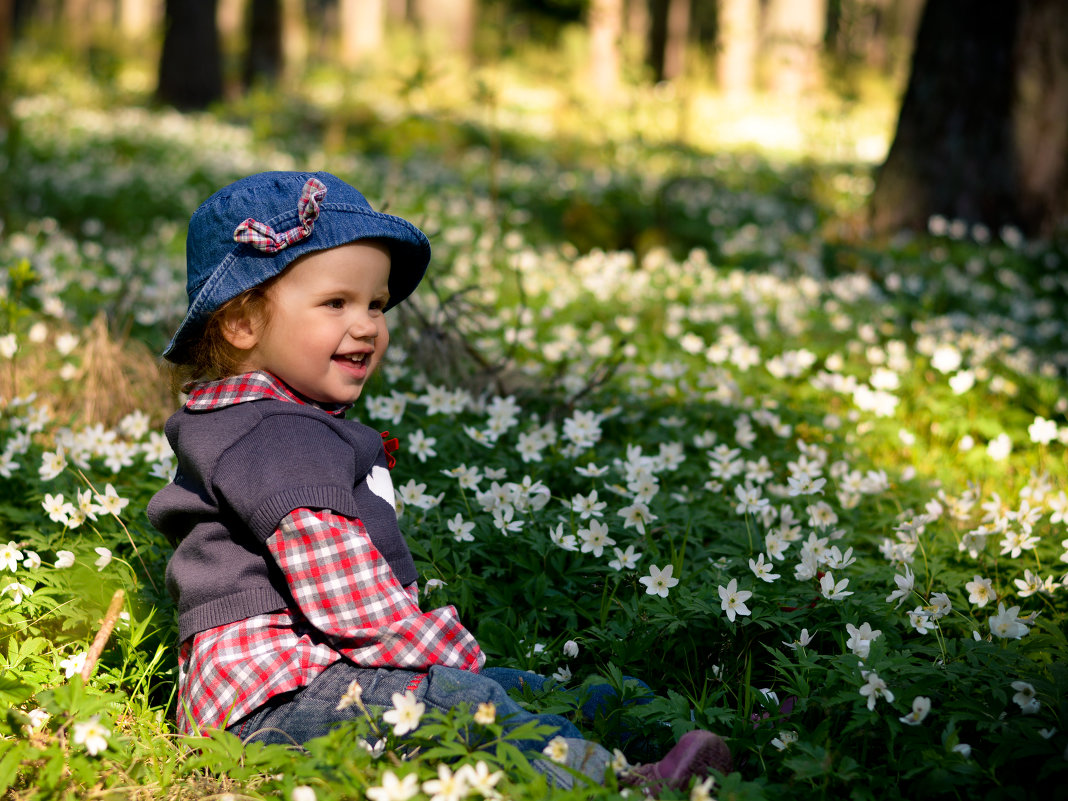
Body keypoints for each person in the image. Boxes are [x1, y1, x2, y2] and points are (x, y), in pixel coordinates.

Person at [147, 171, 731, 792]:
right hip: (273, 710)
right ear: (242, 324)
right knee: (464, 704)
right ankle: (611, 785)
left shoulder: (271, 421)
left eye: (375, 303)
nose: (369, 325)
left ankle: (690, 736)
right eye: (336, 303)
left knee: (511, 691)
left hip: (312, 684)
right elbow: (349, 603)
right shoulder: (277, 437)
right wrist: (447, 651)